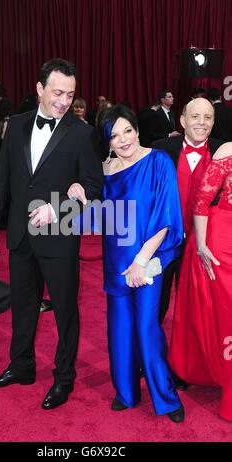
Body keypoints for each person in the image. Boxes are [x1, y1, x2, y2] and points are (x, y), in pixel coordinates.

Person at [0, 58, 104, 410]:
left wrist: (60, 206)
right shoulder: (16, 125)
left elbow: (94, 190)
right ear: (39, 89)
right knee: (22, 307)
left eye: (71, 94)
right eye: (58, 92)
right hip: (19, 234)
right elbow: (2, 177)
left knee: (65, 312)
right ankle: (22, 367)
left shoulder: (82, 133)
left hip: (60, 238)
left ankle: (63, 378)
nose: (65, 101)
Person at [70, 105, 185, 422]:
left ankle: (167, 397)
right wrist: (80, 196)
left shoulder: (158, 161)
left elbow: (165, 217)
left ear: (137, 130)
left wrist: (141, 260)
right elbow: (104, 220)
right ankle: (126, 392)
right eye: (114, 136)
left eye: (128, 131)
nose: (123, 140)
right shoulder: (105, 171)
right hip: (115, 263)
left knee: (147, 329)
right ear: (106, 141)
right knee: (119, 331)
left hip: (147, 263)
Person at [169, 143, 232, 422]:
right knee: (222, 311)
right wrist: (202, 245)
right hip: (223, 242)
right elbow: (202, 201)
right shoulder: (227, 151)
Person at [152, 98, 224, 326]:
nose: (202, 123)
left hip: (202, 246)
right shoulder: (160, 149)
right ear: (182, 120)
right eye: (195, 116)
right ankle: (150, 356)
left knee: (196, 311)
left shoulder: (223, 152)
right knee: (155, 305)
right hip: (162, 242)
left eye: (208, 117)